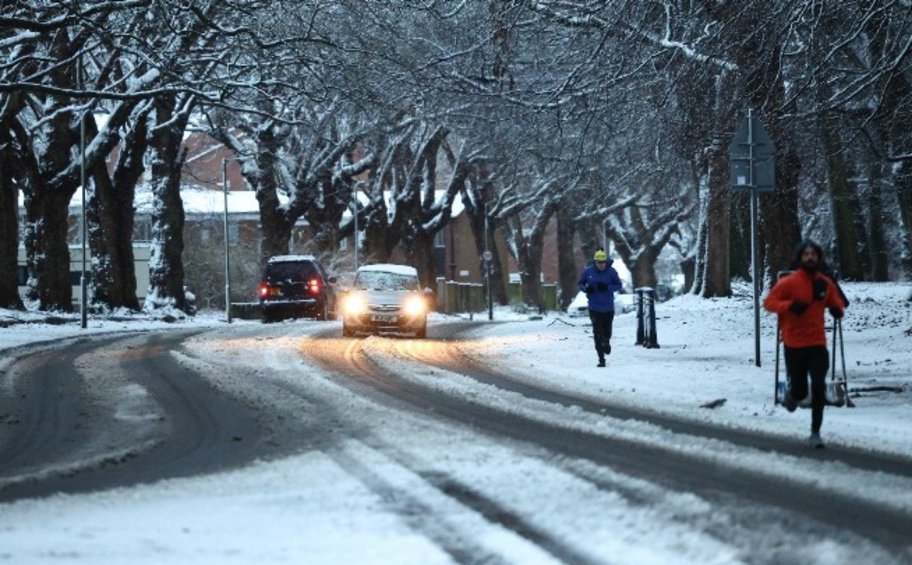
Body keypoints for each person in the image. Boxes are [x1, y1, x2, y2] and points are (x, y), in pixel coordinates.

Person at [763, 240, 848, 449]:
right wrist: (790, 305)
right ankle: (793, 396)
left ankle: (815, 432)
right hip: (793, 343)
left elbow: (836, 301)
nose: (810, 258)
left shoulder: (824, 282)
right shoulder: (789, 282)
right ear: (800, 258)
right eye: (806, 254)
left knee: (818, 385)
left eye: (813, 254)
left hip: (817, 342)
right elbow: (769, 303)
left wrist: (837, 310)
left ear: (818, 258)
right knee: (801, 390)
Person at [578, 249, 623, 367]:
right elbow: (580, 284)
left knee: (607, 331)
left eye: (603, 262)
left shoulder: (612, 272)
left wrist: (607, 287)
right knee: (597, 333)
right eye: (598, 262)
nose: (601, 265)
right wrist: (587, 289)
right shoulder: (588, 272)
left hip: (608, 307)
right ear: (595, 262)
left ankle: (607, 342)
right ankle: (601, 358)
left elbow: (619, 285)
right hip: (594, 308)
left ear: (606, 261)